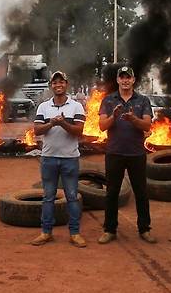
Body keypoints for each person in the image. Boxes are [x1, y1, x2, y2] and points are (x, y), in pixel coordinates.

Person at [97, 66, 156, 244]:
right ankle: (109, 229)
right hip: (114, 152)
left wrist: (133, 119)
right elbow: (102, 126)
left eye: (128, 77)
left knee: (141, 192)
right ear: (117, 80)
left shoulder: (143, 100)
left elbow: (147, 126)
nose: (125, 81)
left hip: (136, 153)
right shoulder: (108, 100)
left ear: (133, 80)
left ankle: (144, 229)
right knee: (112, 192)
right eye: (122, 78)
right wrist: (114, 117)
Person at [30, 71, 87, 248]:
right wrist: (52, 123)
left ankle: (75, 233)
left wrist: (62, 123)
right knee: (48, 197)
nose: (58, 85)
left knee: (71, 196)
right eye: (54, 83)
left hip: (70, 158)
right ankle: (46, 232)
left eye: (61, 82)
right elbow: (37, 130)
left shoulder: (76, 106)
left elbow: (79, 131)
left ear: (66, 84)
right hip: (48, 158)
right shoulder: (44, 107)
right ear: (51, 86)